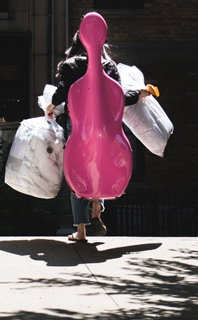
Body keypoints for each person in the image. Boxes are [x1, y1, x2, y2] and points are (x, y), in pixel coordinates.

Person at [45, 29, 150, 242]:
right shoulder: (109, 67)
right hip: (105, 128)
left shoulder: (71, 65)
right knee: (99, 164)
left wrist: (51, 105)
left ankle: (81, 231)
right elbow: (118, 97)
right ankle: (96, 209)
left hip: (78, 127)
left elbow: (63, 91)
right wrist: (139, 94)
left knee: (78, 170)